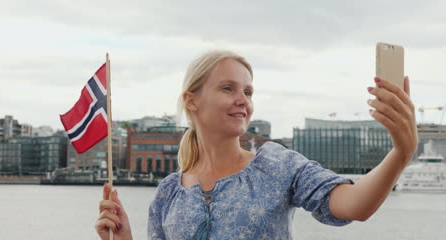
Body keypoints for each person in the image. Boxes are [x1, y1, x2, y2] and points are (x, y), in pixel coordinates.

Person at [95, 50, 418, 239]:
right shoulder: (168, 192)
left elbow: (354, 205)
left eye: (248, 93)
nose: (242, 101)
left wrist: (400, 152)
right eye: (228, 88)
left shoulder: (276, 165)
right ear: (192, 101)